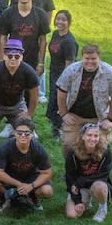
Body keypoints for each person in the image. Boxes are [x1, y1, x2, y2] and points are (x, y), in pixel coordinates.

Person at [56, 44, 112, 150]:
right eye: (87, 58)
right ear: (82, 57)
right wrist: (64, 113)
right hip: (75, 116)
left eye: (93, 59)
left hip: (99, 117)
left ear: (99, 58)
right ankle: (73, 166)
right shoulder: (71, 70)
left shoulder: (110, 72)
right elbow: (61, 91)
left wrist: (110, 119)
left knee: (101, 147)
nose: (90, 62)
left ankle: (95, 166)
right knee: (69, 146)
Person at [0, 39, 39, 143]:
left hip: (17, 105)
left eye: (17, 56)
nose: (13, 59)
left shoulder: (28, 71)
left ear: (22, 57)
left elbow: (34, 95)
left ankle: (22, 158)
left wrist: (29, 114)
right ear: (4, 55)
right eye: (9, 56)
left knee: (29, 138)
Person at [0, 118, 53, 213]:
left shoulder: (38, 149)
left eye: (27, 133)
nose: (23, 136)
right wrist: (19, 184)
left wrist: (31, 186)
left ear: (32, 134)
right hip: (10, 176)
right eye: (19, 133)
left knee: (47, 190)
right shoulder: (4, 147)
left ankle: (32, 197)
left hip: (31, 177)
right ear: (14, 133)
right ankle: (3, 199)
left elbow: (47, 173)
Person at [64, 123, 112, 222]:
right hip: (79, 187)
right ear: (83, 136)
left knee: (99, 187)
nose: (93, 139)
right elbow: (69, 177)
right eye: (89, 135)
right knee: (72, 214)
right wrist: (77, 201)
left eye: (96, 136)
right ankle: (86, 202)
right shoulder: (72, 153)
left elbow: (103, 175)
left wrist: (80, 182)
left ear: (99, 137)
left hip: (97, 184)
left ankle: (102, 208)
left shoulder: (106, 151)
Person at [45, 10, 78, 138]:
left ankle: (60, 129)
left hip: (63, 75)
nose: (60, 22)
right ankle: (56, 126)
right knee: (53, 100)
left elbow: (70, 63)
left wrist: (65, 81)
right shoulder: (55, 34)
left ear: (68, 22)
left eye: (63, 20)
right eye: (58, 19)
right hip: (53, 72)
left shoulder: (69, 41)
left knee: (59, 101)